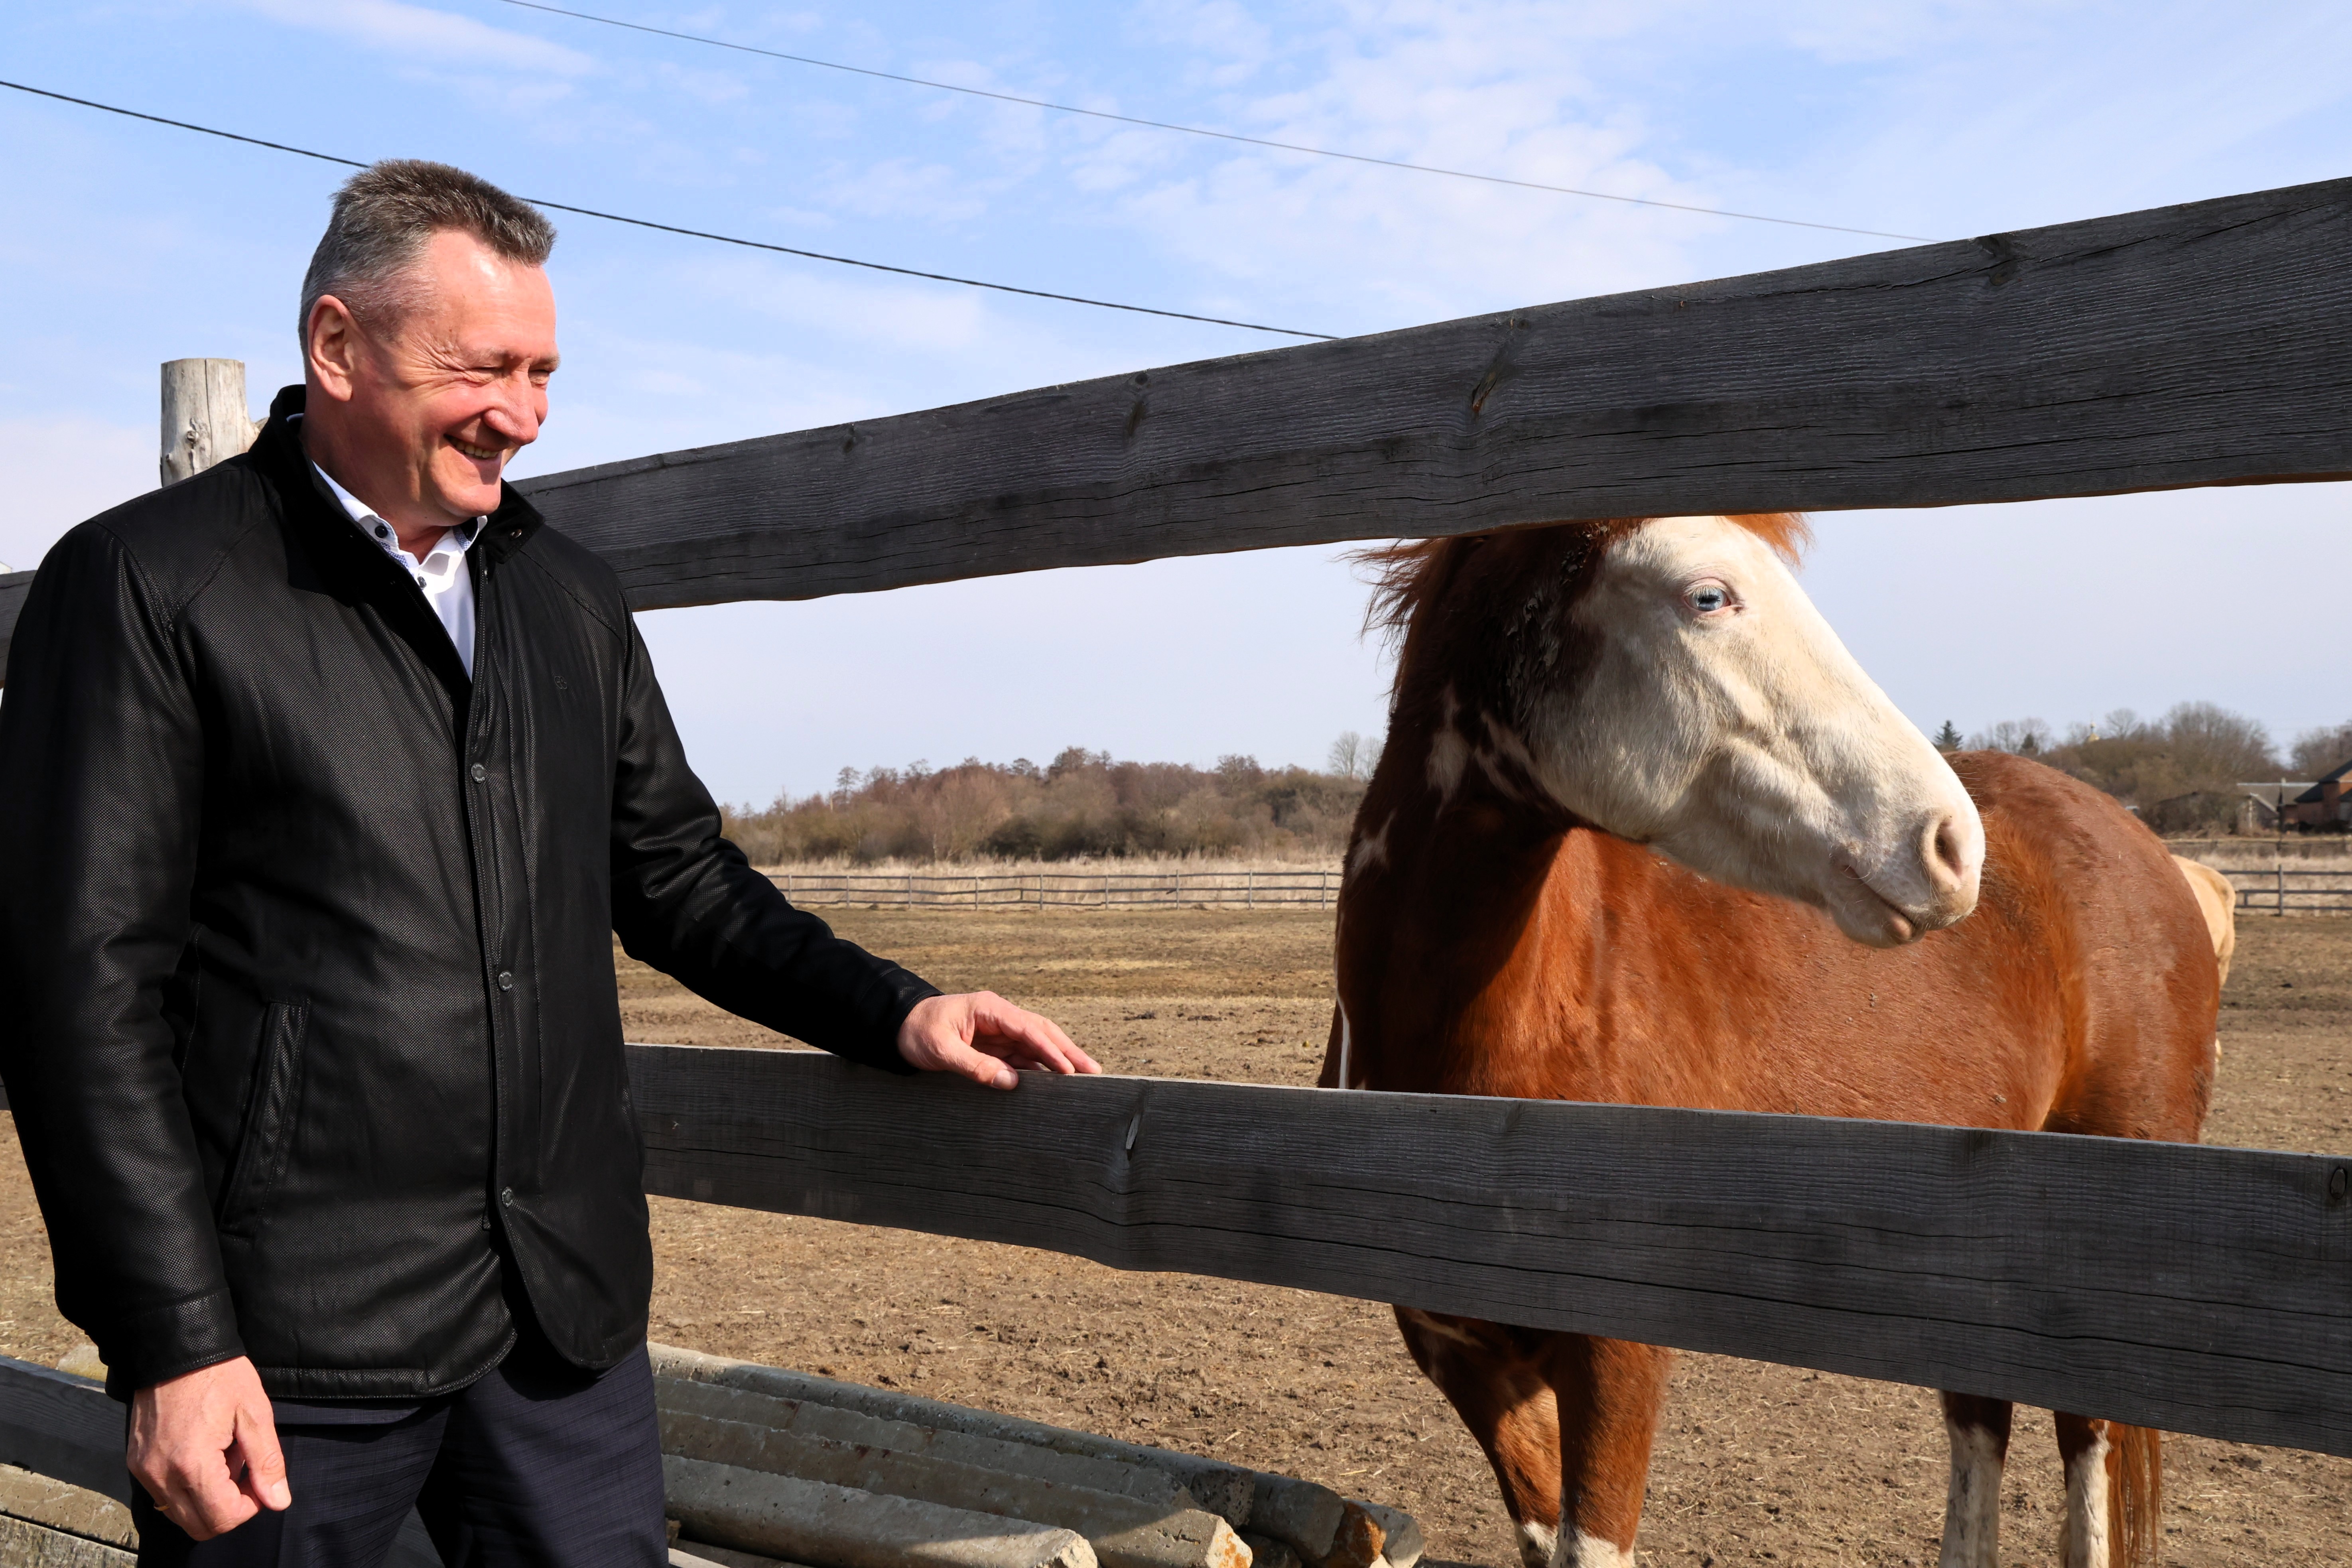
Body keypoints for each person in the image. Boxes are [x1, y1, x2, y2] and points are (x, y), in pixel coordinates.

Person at [0, 159, 1098, 1565]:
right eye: (482, 368)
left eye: (541, 373)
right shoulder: (150, 585)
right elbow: (79, 994)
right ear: (337, 344)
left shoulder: (567, 596)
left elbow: (679, 876)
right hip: (288, 1342)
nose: (520, 414)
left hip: (559, 1327)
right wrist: (173, 1339)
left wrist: (893, 1008)